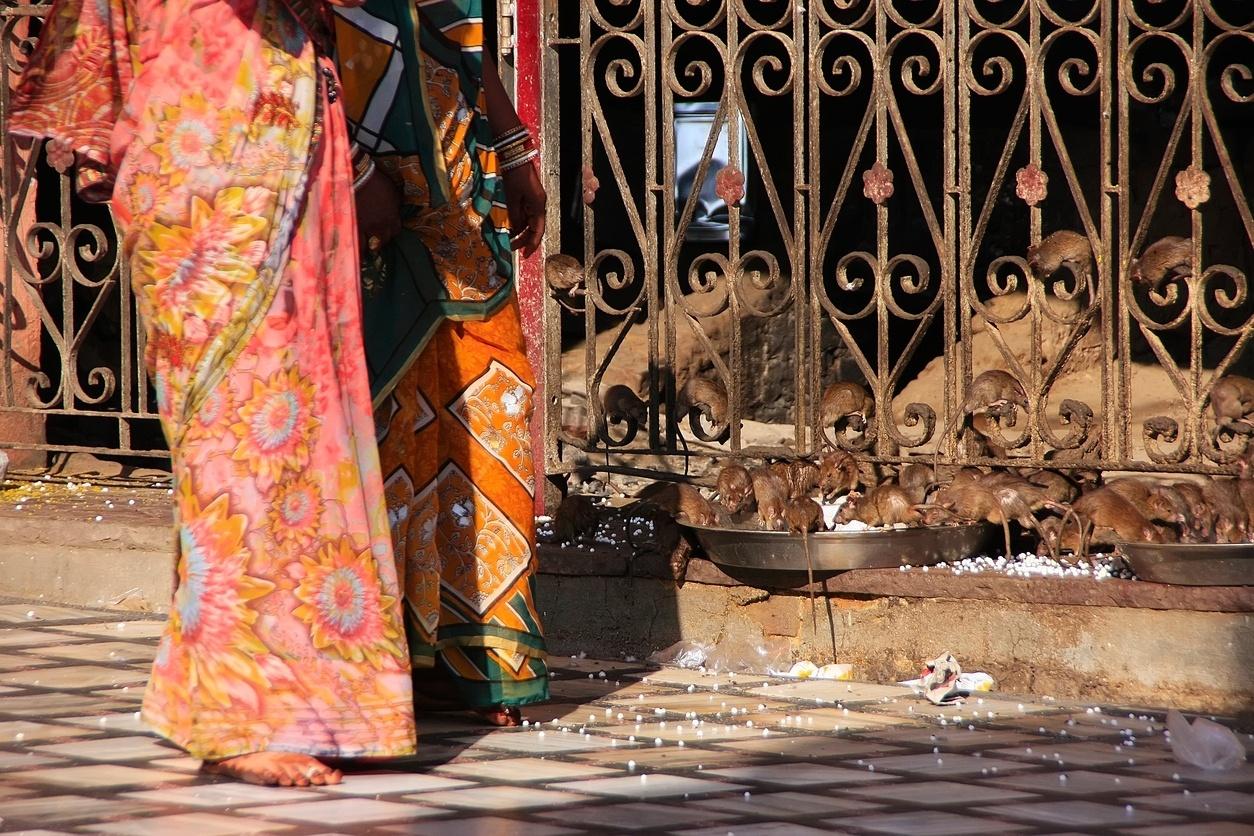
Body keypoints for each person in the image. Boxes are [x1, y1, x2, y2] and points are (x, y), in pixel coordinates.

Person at [9, 0, 544, 785]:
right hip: (222, 147)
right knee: (245, 436)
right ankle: (238, 708)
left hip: (269, 131)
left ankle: (288, 700)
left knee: (299, 437)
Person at [335, 0, 550, 727]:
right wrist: (356, 169)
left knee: (485, 409)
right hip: (361, 194)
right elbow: (289, 42)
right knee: (383, 420)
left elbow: (462, 31)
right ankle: (381, 656)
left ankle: (473, 654)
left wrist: (515, 147)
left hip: (459, 197)